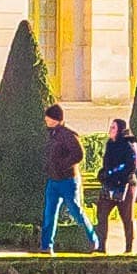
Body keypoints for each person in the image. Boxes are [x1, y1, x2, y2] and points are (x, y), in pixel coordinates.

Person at [37, 105, 100, 253]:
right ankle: (46, 246)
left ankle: (93, 240)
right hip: (53, 180)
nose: (45, 119)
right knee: (49, 214)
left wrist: (62, 166)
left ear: (55, 119)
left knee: (76, 211)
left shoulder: (68, 135)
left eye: (48, 117)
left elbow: (79, 154)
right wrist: (49, 167)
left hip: (68, 181)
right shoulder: (52, 134)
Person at [94, 113, 137, 256]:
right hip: (110, 184)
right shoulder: (110, 144)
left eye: (113, 127)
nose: (110, 130)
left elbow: (131, 165)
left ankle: (129, 249)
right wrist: (103, 173)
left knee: (127, 217)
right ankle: (101, 247)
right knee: (101, 214)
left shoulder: (128, 144)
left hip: (126, 184)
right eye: (111, 127)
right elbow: (107, 163)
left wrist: (112, 173)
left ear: (120, 130)